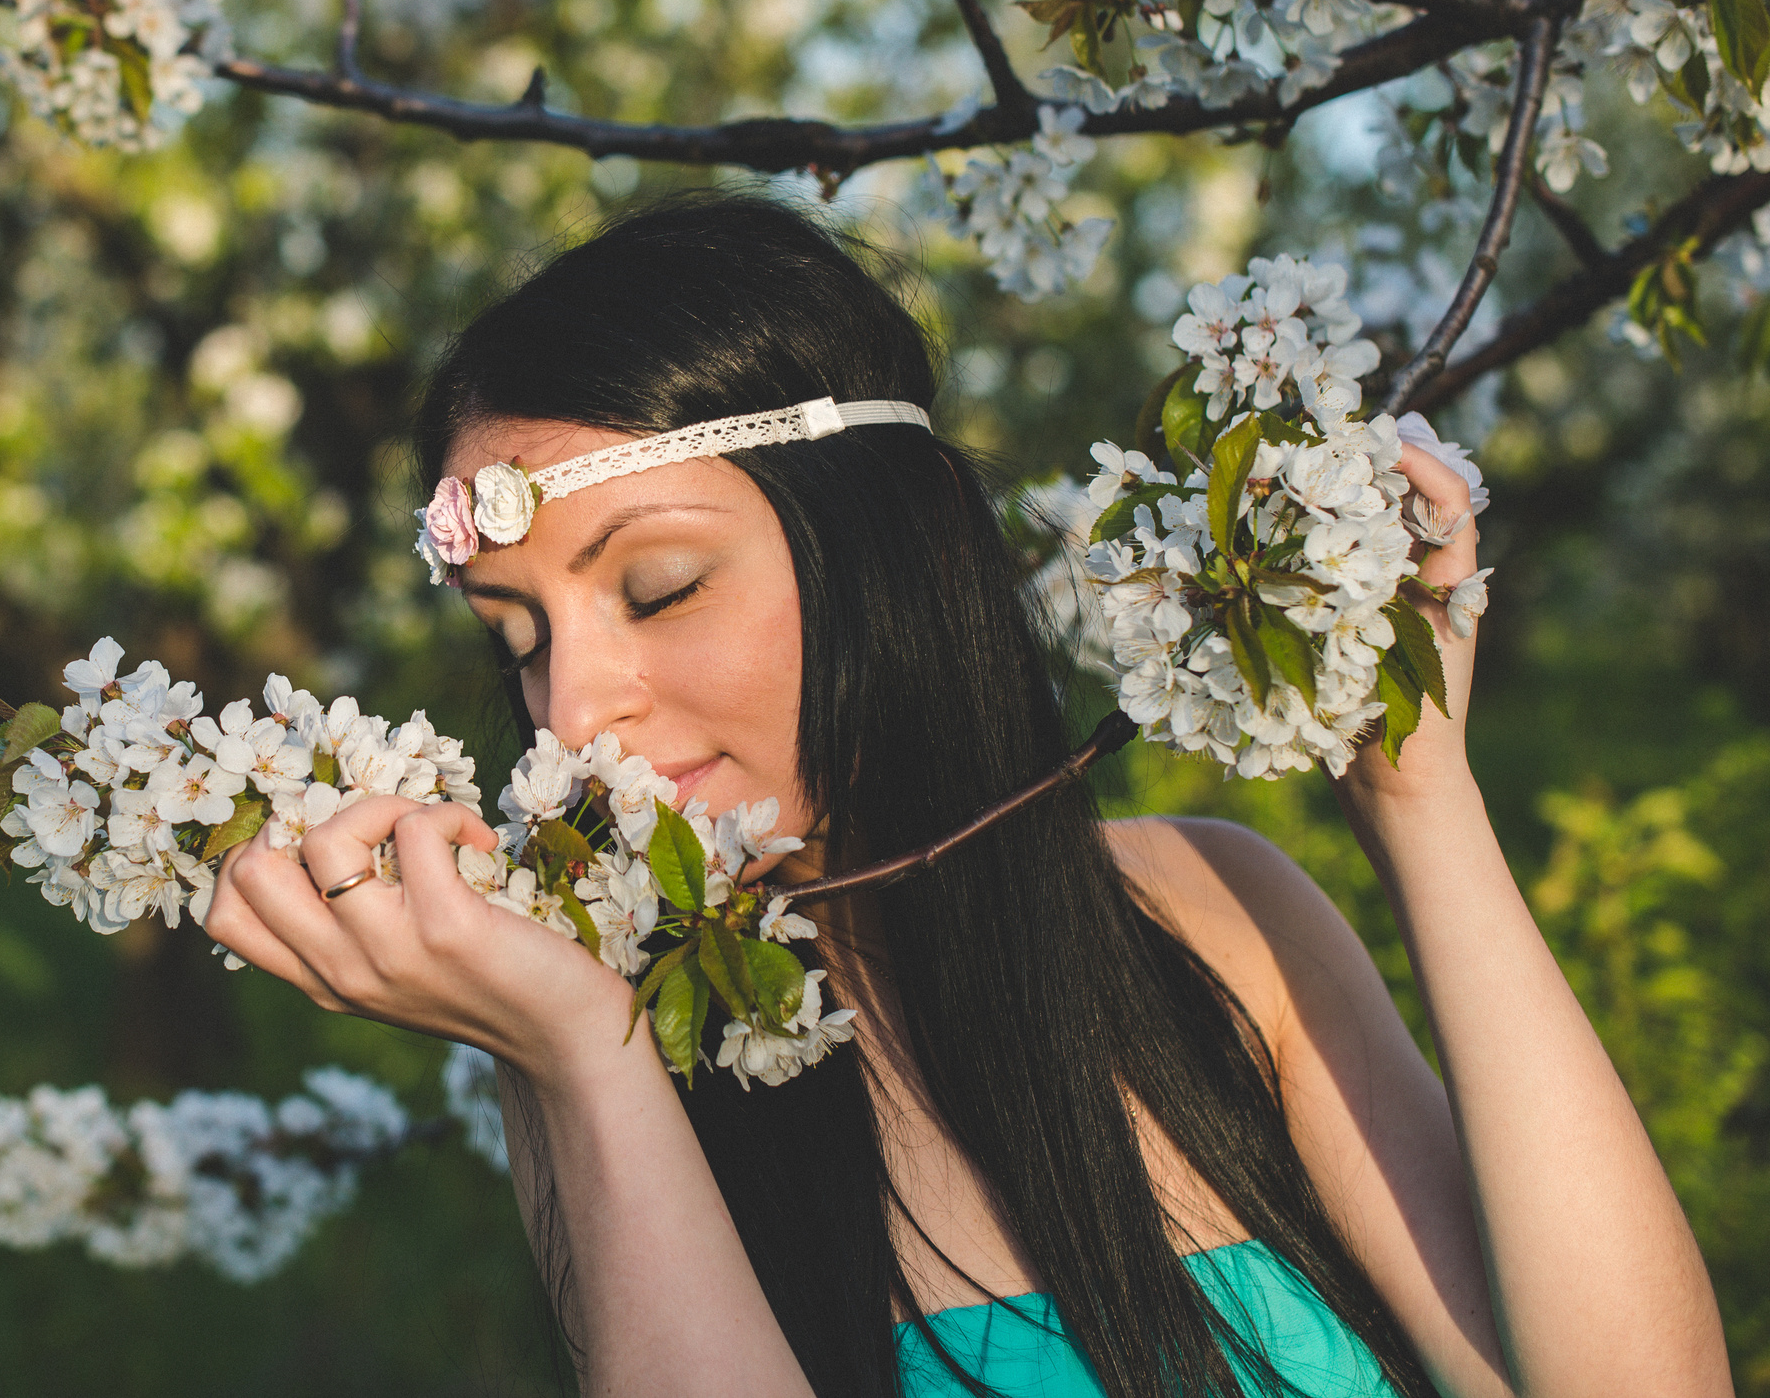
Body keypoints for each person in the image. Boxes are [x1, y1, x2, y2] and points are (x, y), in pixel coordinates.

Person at [202, 192, 1729, 1398]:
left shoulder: (1208, 916)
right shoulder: (619, 1049)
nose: (572, 707)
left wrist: (1419, 796)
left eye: (657, 588)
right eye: (519, 639)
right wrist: (591, 1064)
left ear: (888, 545)